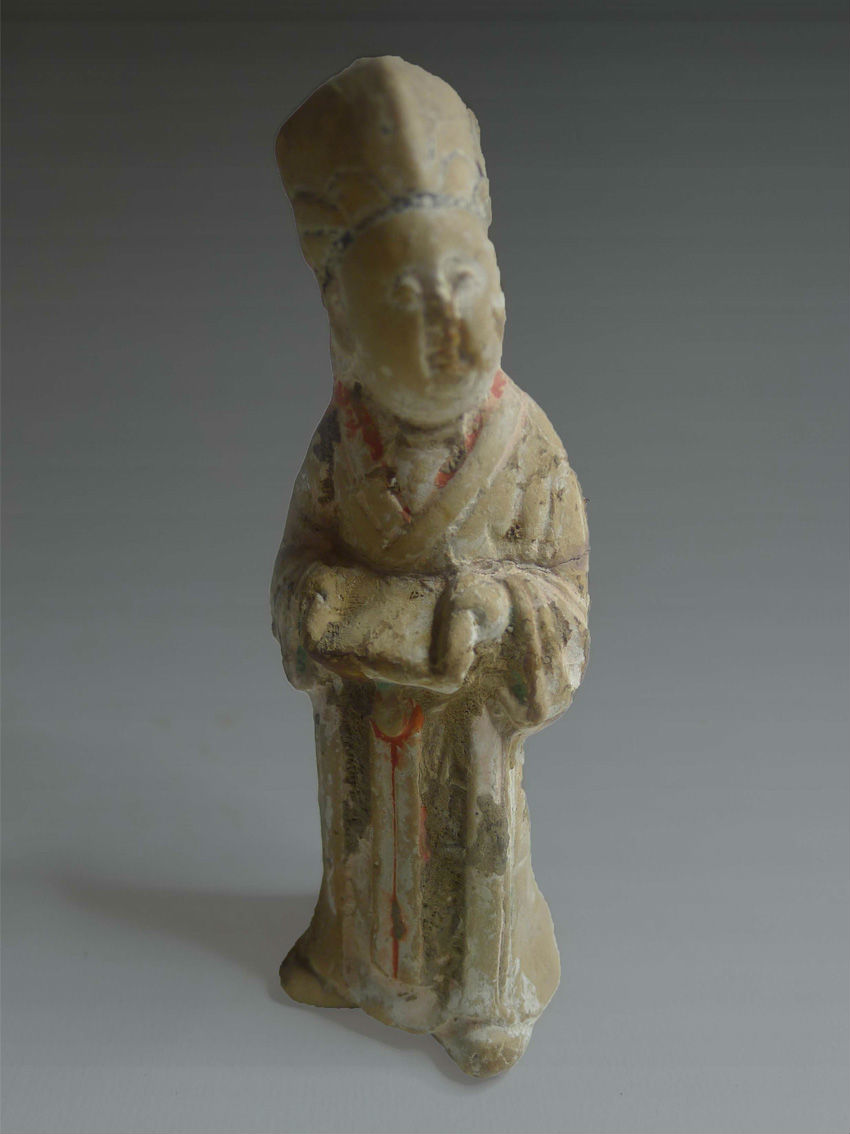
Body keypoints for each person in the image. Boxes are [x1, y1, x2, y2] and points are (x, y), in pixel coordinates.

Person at [271, 56, 589, 1077]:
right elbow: (300, 557)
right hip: (365, 727)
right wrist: (310, 603)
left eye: (464, 286)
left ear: (500, 285)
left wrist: (499, 609)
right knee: (362, 847)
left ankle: (481, 997)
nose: (446, 330)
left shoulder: (523, 446)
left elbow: (566, 594)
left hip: (470, 737)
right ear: (344, 319)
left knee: (475, 853)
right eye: (404, 298)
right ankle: (352, 961)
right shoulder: (343, 443)